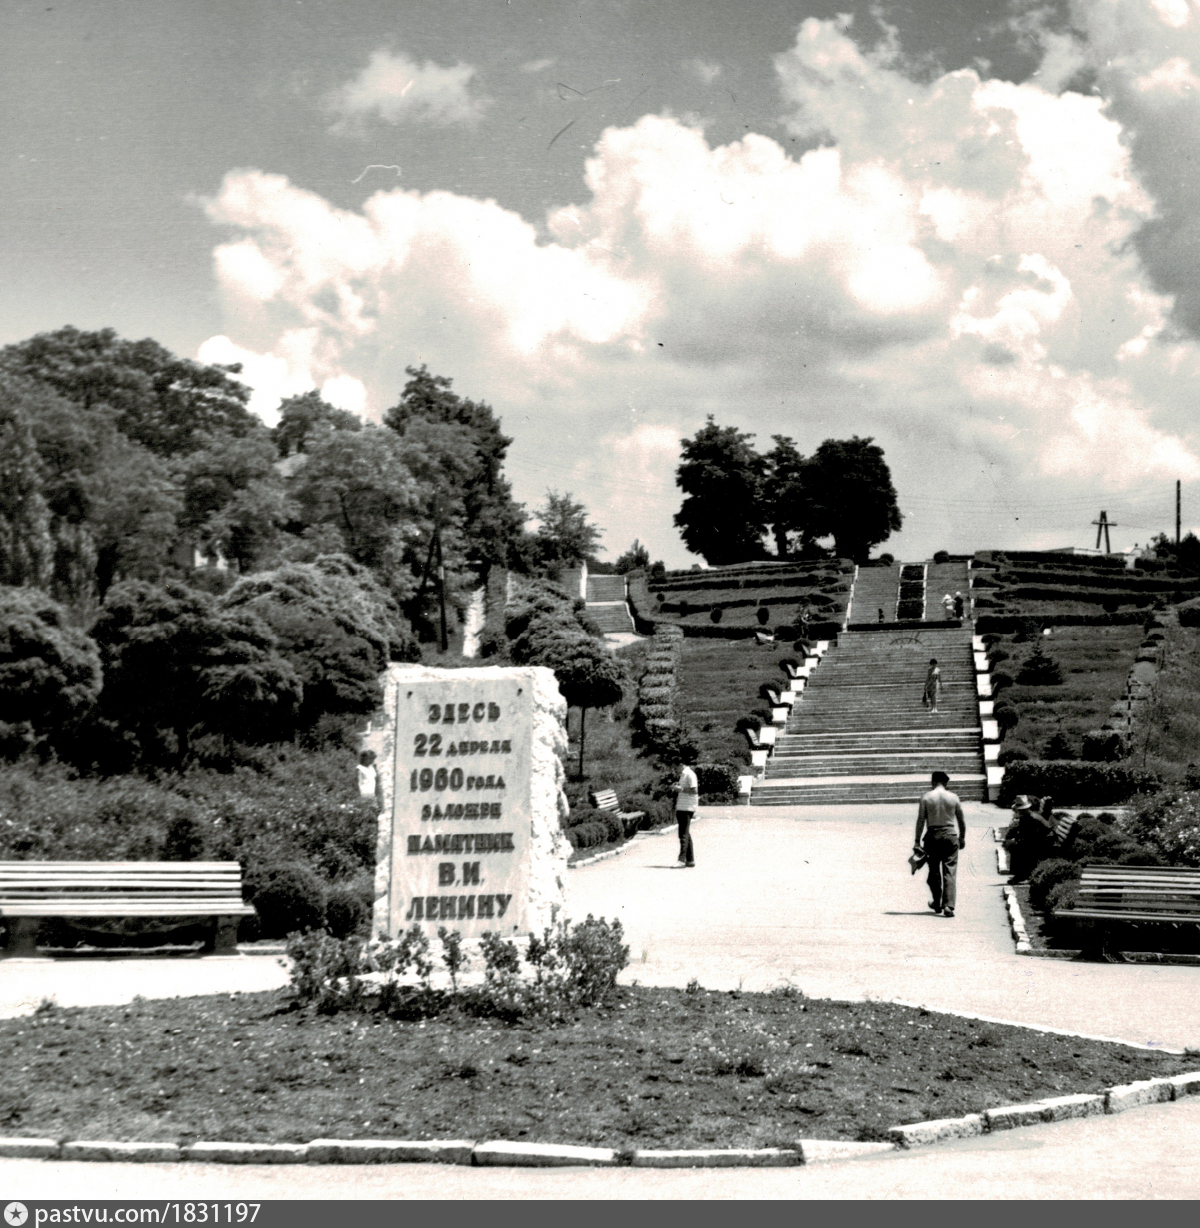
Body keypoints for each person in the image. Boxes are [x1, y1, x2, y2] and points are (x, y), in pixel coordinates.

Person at [914, 770, 966, 917]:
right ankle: (948, 905)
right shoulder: (954, 797)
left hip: (932, 835)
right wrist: (962, 838)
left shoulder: (926, 797)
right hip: (950, 834)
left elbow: (921, 820)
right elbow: (961, 821)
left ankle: (937, 902)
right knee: (950, 870)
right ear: (946, 783)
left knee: (934, 871)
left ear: (933, 782)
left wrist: (917, 841)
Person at [675, 758, 698, 867]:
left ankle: (681, 860)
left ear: (680, 765)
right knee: (686, 833)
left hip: (687, 807)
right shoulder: (683, 775)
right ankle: (690, 860)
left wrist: (681, 789)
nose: (674, 770)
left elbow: (694, 790)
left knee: (683, 834)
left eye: (675, 767)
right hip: (682, 806)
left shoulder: (689, 774)